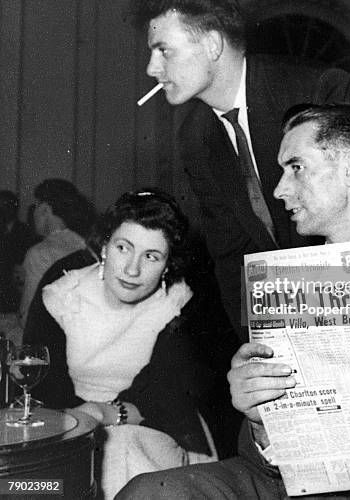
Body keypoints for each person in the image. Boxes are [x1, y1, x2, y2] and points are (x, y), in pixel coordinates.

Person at [116, 105, 350, 499]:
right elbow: (264, 461)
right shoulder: (284, 275)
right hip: (302, 487)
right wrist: (260, 417)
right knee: (151, 491)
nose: (278, 190)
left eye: (295, 167)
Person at [130, 0, 350, 339]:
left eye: (163, 50)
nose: (151, 69)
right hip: (304, 321)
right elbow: (234, 258)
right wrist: (260, 350)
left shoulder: (318, 89)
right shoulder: (195, 136)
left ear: (213, 44)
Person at [25, 188, 220, 499]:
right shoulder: (62, 295)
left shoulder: (181, 302)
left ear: (168, 264)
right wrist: (85, 420)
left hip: (158, 427)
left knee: (125, 455)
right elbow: (44, 388)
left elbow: (165, 393)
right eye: (123, 248)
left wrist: (105, 414)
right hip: (72, 425)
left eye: (151, 256)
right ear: (104, 246)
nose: (133, 269)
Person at [18, 178, 96, 326]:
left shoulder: (38, 253)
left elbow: (27, 318)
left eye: (36, 206)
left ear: (45, 209)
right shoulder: (88, 246)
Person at [0, 191, 36, 312]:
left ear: (14, 208)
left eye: (5, 206)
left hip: (14, 297)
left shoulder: (26, 233)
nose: (1, 210)